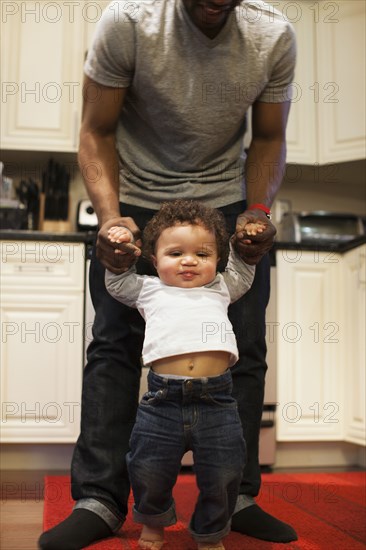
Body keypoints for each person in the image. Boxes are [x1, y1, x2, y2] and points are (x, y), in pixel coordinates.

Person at [39, 1, 297, 548]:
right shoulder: (128, 24)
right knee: (113, 346)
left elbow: (270, 138)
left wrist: (257, 214)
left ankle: (238, 497)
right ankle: (100, 499)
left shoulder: (272, 35)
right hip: (133, 197)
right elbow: (96, 128)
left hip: (227, 203)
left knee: (245, 348)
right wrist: (111, 222)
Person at [106, 199, 262, 550]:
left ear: (217, 260)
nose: (189, 261)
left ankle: (209, 532)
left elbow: (243, 271)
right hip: (161, 402)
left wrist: (245, 243)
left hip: (217, 401)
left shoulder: (221, 287)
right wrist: (119, 247)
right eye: (175, 253)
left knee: (224, 473)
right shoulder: (148, 289)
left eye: (203, 255)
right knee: (148, 469)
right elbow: (117, 284)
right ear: (153, 257)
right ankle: (154, 523)